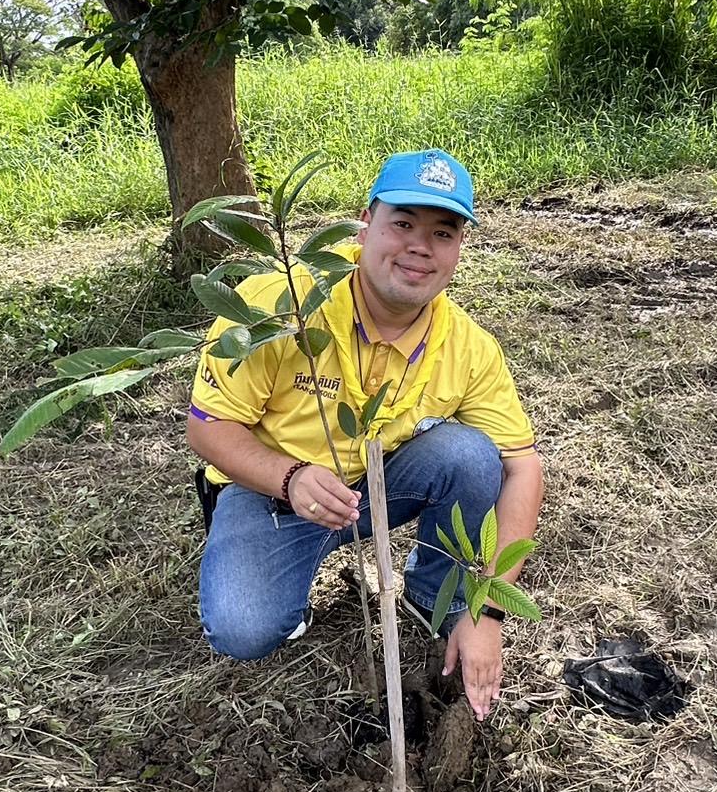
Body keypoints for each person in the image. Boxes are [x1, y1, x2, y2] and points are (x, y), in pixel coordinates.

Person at [186, 148, 543, 720]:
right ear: (365, 224)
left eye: (443, 232)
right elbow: (207, 427)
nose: (420, 247)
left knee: (472, 456)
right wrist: (291, 477)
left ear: (458, 248)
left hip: (375, 489)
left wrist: (487, 610)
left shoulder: (468, 347)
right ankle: (282, 561)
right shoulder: (281, 306)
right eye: (402, 223)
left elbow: (523, 467)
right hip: (274, 491)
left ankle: (435, 603)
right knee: (244, 631)